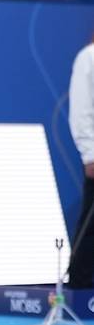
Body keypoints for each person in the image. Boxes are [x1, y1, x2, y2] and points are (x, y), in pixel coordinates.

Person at [67, 36, 94, 288]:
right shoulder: (89, 57)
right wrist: (90, 153)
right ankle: (81, 285)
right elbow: (81, 110)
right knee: (92, 223)